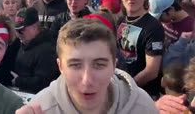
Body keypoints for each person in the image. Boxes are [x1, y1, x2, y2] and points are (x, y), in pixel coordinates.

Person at [16, 19, 158, 114]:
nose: (87, 80)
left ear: (114, 66)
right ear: (60, 67)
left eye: (99, 65)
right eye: (75, 65)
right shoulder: (41, 109)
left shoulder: (141, 107)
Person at [117, 0, 165, 98]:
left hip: (144, 94)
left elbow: (151, 71)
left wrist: (127, 88)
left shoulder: (153, 26)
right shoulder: (121, 21)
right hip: (121, 85)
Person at [12, 7, 59, 93]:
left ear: (34, 27)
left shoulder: (47, 50)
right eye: (17, 30)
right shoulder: (24, 43)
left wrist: (19, 81)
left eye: (22, 30)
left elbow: (44, 82)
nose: (18, 34)